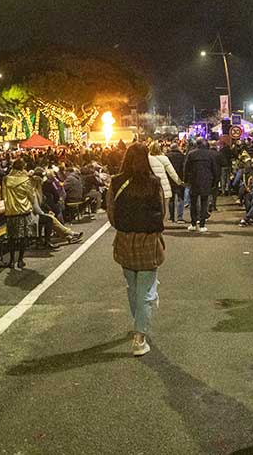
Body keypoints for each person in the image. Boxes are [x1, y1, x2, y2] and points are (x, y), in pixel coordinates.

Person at [108, 142, 165, 357]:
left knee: (132, 288)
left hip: (124, 240)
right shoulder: (154, 183)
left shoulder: (116, 182)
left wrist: (124, 228)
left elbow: (111, 213)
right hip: (148, 241)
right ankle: (140, 336)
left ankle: (138, 326)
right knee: (146, 291)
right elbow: (162, 212)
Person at [2, 159, 35, 269]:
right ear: (22, 168)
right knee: (23, 237)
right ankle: (20, 259)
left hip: (11, 212)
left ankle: (11, 260)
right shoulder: (25, 180)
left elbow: (4, 195)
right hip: (23, 211)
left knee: (11, 237)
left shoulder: (6, 179)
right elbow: (31, 195)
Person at [183, 138, 218, 233]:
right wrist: (215, 182)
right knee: (204, 202)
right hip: (206, 180)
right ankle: (202, 224)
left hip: (194, 180)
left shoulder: (191, 154)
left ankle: (193, 223)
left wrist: (185, 180)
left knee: (193, 203)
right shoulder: (210, 154)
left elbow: (186, 168)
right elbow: (214, 169)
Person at [148, 141, 182, 221]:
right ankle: (161, 223)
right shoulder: (164, 158)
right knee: (163, 207)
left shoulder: (147, 158)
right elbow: (172, 172)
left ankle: (153, 222)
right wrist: (179, 182)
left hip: (151, 185)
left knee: (152, 206)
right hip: (163, 185)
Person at [166, 142, 187, 223]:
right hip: (180, 180)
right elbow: (185, 168)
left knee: (171, 199)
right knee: (180, 199)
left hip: (170, 180)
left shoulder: (167, 157)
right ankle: (180, 217)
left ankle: (171, 218)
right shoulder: (182, 156)